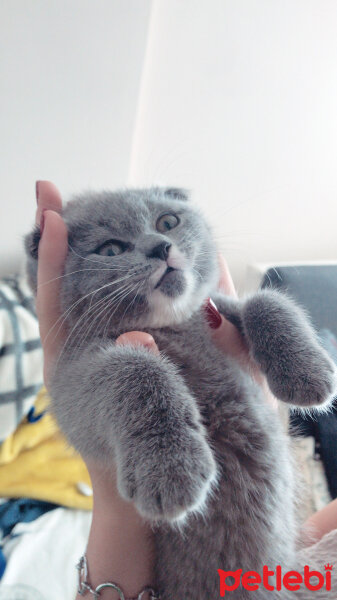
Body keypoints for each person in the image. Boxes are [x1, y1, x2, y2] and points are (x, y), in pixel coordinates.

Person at [35, 181, 337, 599]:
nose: (159, 243)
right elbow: (79, 397)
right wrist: (145, 412)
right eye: (110, 249)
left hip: (275, 579)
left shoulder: (212, 310)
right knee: (130, 370)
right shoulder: (94, 349)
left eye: (168, 223)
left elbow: (254, 308)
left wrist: (271, 324)